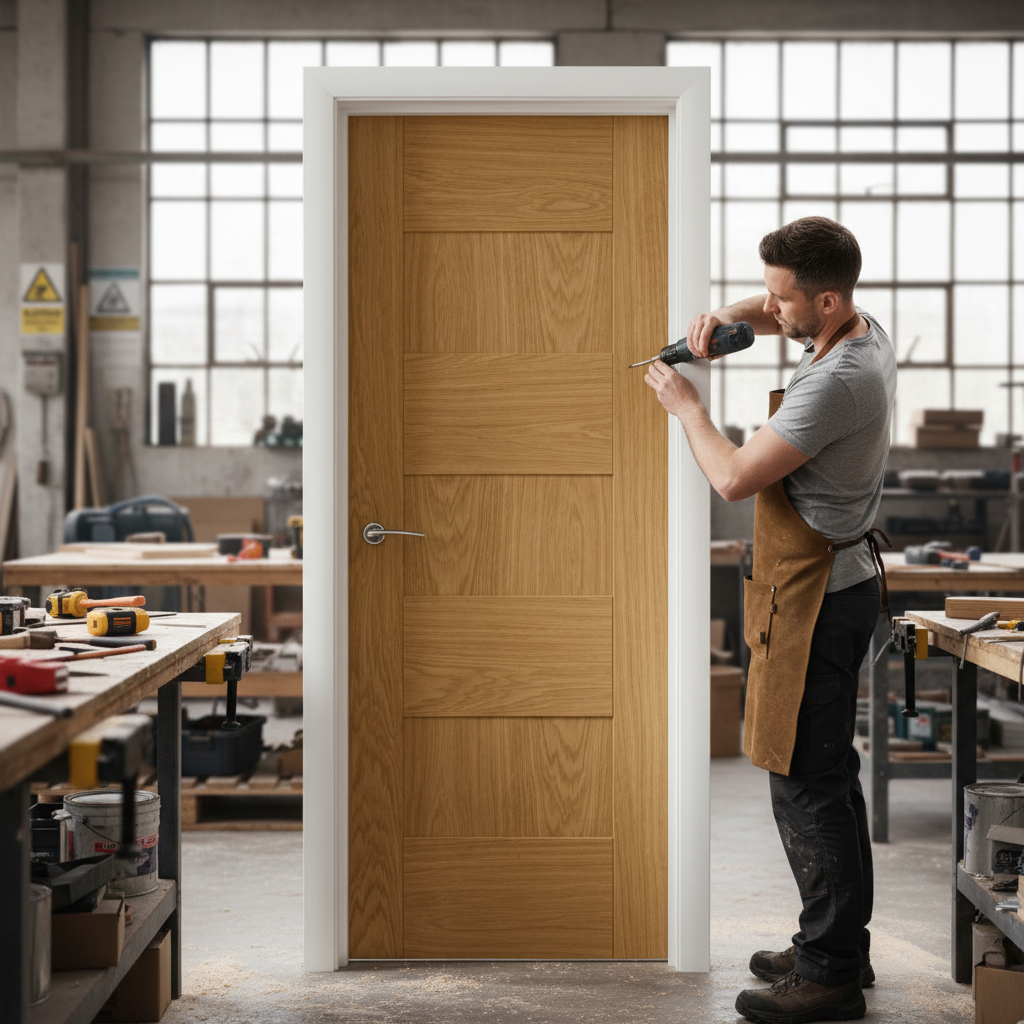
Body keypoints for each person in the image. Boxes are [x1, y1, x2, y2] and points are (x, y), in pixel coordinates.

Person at [644, 217, 896, 1024]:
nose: (771, 310)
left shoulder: (838, 381)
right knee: (825, 776)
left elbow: (734, 478)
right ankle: (835, 945)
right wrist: (726, 319)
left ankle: (828, 975)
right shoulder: (853, 324)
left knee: (806, 781)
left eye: (783, 301)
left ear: (826, 301)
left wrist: (686, 407)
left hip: (820, 595)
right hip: (826, 581)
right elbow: (769, 305)